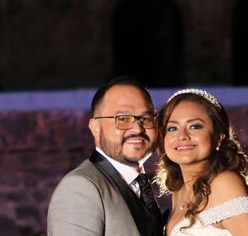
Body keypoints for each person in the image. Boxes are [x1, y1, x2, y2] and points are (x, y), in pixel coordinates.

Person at [47, 76, 164, 236]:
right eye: (122, 119)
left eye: (145, 118)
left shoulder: (141, 184)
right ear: (96, 128)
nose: (137, 129)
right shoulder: (80, 188)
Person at [155, 88, 248, 236]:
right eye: (172, 128)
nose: (182, 136)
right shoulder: (179, 190)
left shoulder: (224, 183)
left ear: (218, 137)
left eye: (195, 126)